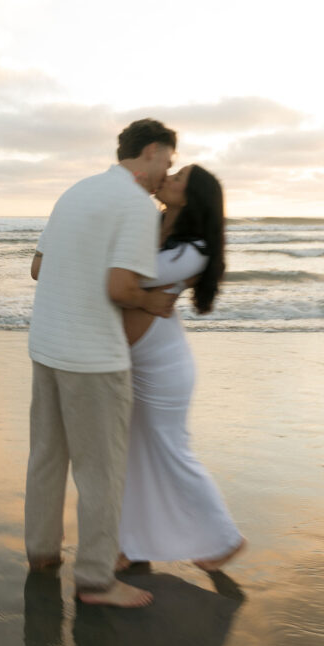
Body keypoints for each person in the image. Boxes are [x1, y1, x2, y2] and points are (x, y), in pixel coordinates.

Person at [25, 118, 178, 608]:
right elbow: (119, 288)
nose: (165, 176)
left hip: (47, 345)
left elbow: (38, 267)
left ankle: (42, 552)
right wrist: (154, 302)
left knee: (47, 457)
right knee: (101, 472)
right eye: (167, 164)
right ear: (151, 151)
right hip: (92, 358)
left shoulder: (76, 192)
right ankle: (96, 580)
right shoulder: (135, 203)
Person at [117, 164, 246, 574]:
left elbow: (129, 277)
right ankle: (133, 544)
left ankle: (226, 538)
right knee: (133, 456)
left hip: (163, 367)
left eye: (178, 179)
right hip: (135, 363)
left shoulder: (192, 251)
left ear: (189, 198)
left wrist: (137, 295)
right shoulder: (153, 227)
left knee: (172, 452)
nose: (168, 178)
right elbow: (129, 285)